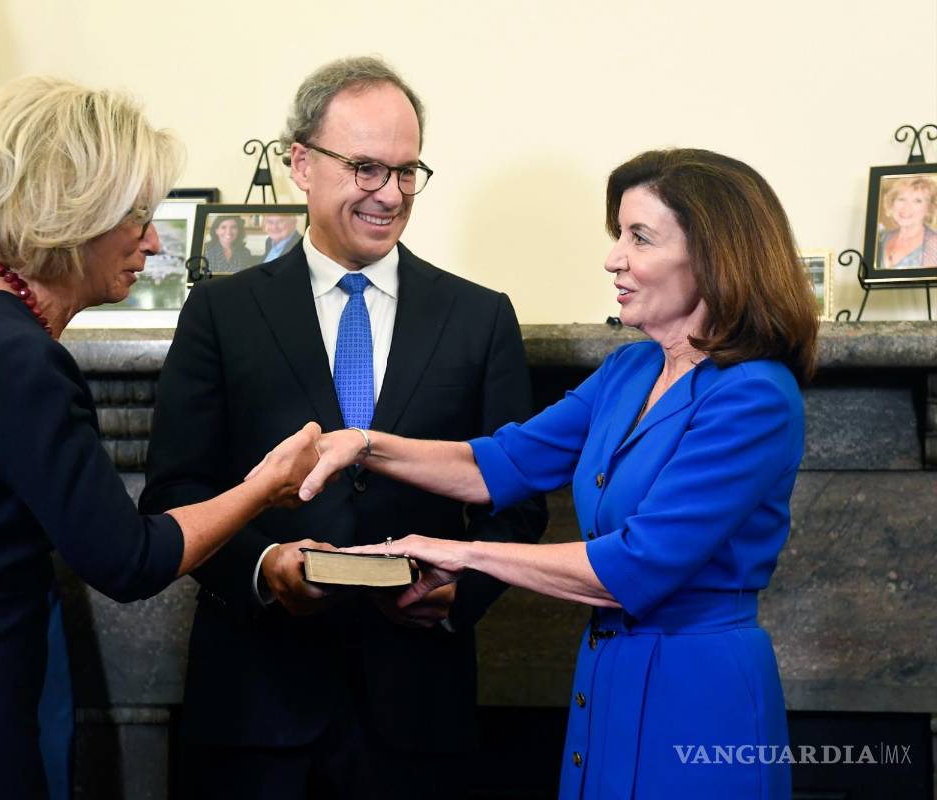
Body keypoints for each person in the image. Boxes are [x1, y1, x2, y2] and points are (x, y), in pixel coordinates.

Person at [0, 76, 320, 800]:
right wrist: (263, 486)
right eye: (135, 216)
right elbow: (130, 560)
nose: (152, 240)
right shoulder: (16, 359)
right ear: (72, 214)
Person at [287, 148, 819, 799]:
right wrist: (364, 444)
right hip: (608, 676)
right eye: (617, 234)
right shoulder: (631, 372)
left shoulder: (755, 396)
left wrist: (460, 552)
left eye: (639, 237)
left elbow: (637, 568)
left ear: (714, 257)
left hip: (700, 693)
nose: (613, 257)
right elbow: (500, 464)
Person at [139, 56, 547, 799]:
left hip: (421, 715)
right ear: (300, 163)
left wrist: (463, 592)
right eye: (365, 168)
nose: (389, 195)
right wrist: (267, 570)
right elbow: (176, 490)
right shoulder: (220, 314)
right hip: (256, 713)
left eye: (406, 171)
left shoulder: (480, 317)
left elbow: (517, 503)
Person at [876, 175, 937, 268]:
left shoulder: (933, 243)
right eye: (901, 199)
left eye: (917, 201)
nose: (906, 207)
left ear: (929, 208)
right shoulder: (882, 237)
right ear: (892, 202)